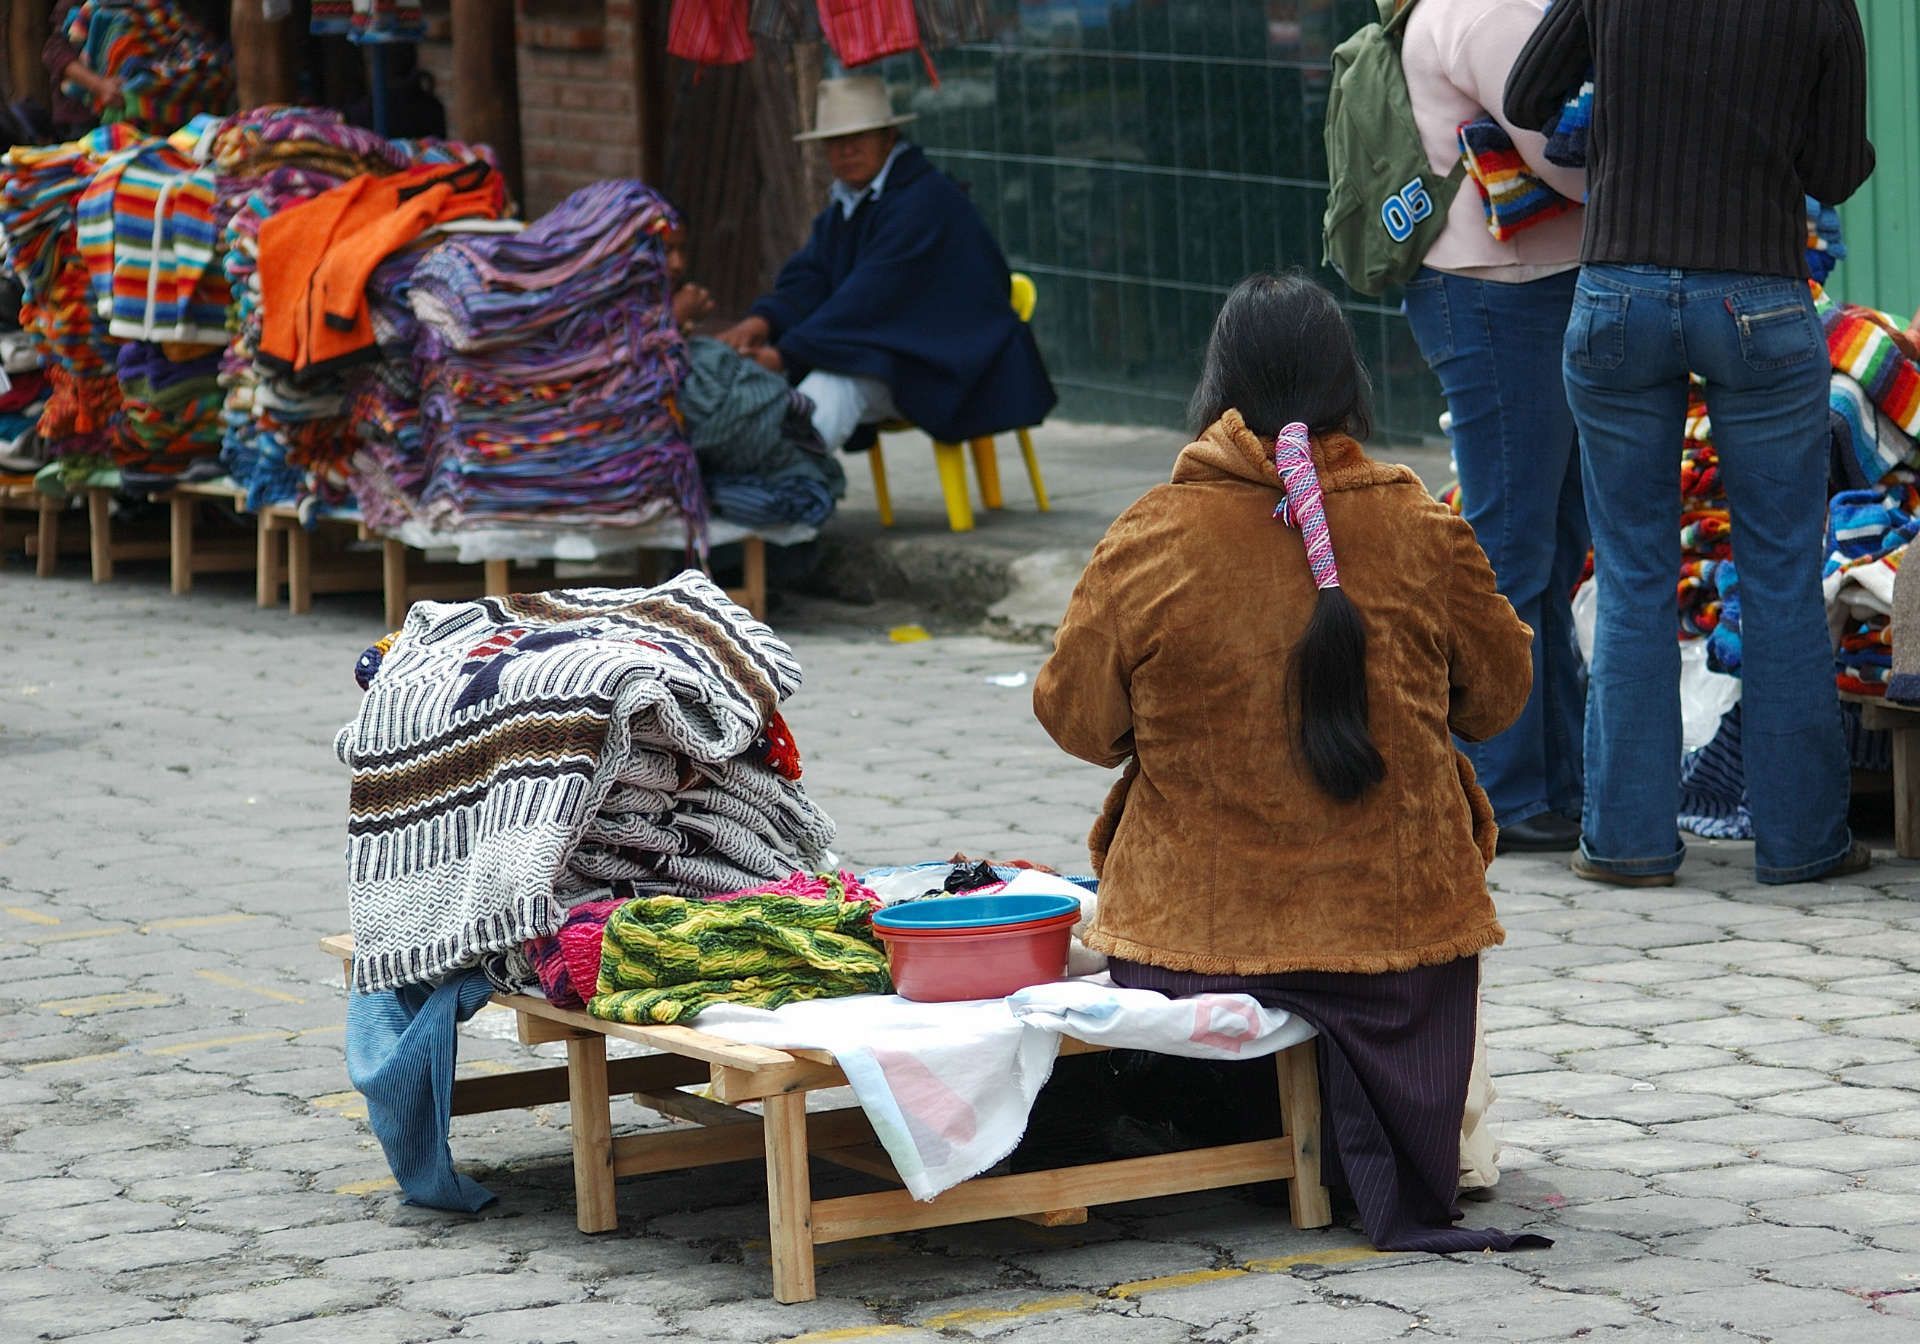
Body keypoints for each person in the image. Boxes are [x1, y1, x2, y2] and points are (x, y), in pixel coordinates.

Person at [1033, 271, 1542, 1252]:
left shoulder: (1150, 535)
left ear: (1216, 386)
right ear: (1350, 385)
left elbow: (1079, 721)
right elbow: (1500, 699)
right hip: (1400, 969)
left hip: (1190, 958)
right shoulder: (1422, 529)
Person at [1506, 0, 1876, 886]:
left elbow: (1526, 97)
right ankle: (1803, 845)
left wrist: (1616, 131)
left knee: (1633, 572)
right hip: (1758, 295)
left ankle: (1626, 844)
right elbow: (1834, 170)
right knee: (1781, 574)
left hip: (1618, 291)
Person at [1400, 0, 1589, 853]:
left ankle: (1553, 781)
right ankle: (1501, 790)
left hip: (1520, 286)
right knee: (1512, 551)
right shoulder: (1486, 9)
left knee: (1546, 548)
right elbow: (1564, 160)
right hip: (1498, 291)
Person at [716, 76, 1055, 454]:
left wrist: (785, 355)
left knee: (835, 385)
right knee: (771, 388)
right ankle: (761, 469)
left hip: (959, 363)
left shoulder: (924, 202)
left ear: (889, 138)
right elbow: (810, 276)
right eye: (835, 142)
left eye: (858, 138)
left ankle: (786, 474)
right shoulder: (846, 209)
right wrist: (763, 321)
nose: (847, 151)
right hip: (901, 352)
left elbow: (870, 297)